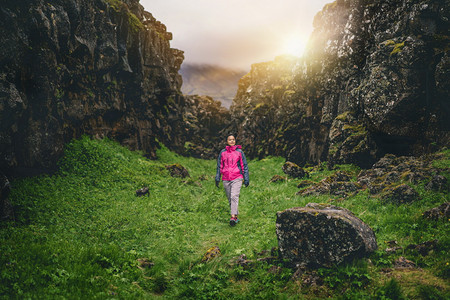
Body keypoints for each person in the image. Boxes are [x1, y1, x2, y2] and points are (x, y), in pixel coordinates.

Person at [215, 134, 249, 226]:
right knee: (230, 198)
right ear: (227, 141)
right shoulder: (222, 152)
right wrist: (218, 178)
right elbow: (219, 166)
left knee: (234, 196)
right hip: (226, 178)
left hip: (237, 177)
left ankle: (233, 216)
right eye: (230, 140)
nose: (232, 141)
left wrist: (246, 178)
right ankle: (236, 216)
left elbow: (244, 165)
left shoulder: (239, 152)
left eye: (233, 139)